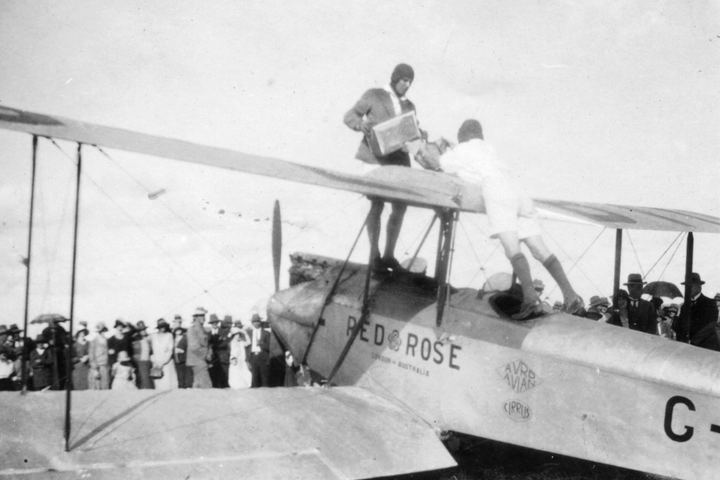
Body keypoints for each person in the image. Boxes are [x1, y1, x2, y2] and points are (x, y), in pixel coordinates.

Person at [422, 119, 583, 319]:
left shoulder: (461, 149)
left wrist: (429, 146)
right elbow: (474, 159)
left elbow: (437, 162)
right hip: (518, 190)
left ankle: (531, 298)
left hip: (497, 190)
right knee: (539, 249)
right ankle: (570, 294)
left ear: (461, 136)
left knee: (512, 247)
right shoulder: (488, 149)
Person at [344, 63, 422, 273]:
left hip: (398, 160)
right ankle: (374, 255)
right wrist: (361, 126)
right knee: (376, 205)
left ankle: (389, 255)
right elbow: (350, 116)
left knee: (400, 207)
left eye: (410, 82)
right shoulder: (374, 95)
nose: (407, 85)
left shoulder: (409, 106)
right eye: (404, 80)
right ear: (395, 78)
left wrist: (420, 134)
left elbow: (413, 129)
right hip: (375, 157)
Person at [673, 273, 719, 351]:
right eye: (687, 287)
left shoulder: (709, 303)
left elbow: (709, 326)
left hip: (706, 347)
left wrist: (692, 342)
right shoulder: (685, 306)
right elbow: (680, 326)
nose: (688, 289)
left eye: (691, 286)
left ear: (699, 287)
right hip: (687, 347)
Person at [187, 307, 212, 388]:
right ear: (195, 317)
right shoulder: (192, 330)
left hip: (201, 361)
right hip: (197, 360)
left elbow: (208, 344)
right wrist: (206, 354)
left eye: (204, 315)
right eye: (200, 316)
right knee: (207, 386)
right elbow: (194, 347)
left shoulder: (204, 330)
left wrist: (210, 353)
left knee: (198, 386)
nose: (203, 318)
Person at [150, 318, 178, 390]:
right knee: (158, 383)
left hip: (166, 363)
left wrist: (162, 363)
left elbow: (169, 351)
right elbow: (151, 351)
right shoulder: (153, 336)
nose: (163, 328)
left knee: (167, 383)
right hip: (156, 364)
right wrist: (155, 361)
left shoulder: (169, 336)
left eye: (164, 326)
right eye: (161, 326)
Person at [249, 314, 271, 388]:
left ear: (260, 322)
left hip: (263, 357)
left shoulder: (266, 333)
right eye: (254, 321)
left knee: (264, 379)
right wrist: (247, 360)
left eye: (258, 321)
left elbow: (269, 347)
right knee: (254, 379)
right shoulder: (249, 333)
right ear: (252, 323)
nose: (256, 323)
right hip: (253, 357)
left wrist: (261, 343)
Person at [228, 324, 251, 389]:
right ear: (234, 336)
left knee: (244, 373)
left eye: (238, 334)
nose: (238, 336)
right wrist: (233, 359)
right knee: (235, 373)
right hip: (235, 360)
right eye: (236, 334)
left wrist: (245, 333)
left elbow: (248, 342)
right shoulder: (232, 342)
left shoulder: (241, 342)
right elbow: (232, 352)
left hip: (241, 361)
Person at [132, 321, 154, 389]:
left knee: (147, 378)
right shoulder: (135, 339)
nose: (143, 331)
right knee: (144, 379)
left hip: (147, 360)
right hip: (140, 361)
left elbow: (151, 350)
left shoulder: (148, 339)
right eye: (141, 330)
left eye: (144, 329)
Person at [88, 321, 110, 389]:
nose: (103, 332)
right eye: (102, 331)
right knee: (96, 387)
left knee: (105, 386)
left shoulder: (106, 340)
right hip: (97, 366)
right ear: (99, 332)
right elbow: (91, 355)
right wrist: (94, 368)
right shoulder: (94, 341)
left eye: (104, 331)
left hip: (105, 366)